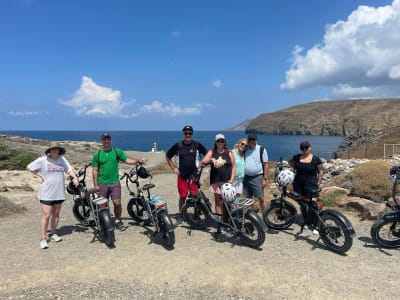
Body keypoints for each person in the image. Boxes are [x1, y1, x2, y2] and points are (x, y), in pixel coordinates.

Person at [27, 141, 79, 249]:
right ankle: (43, 238)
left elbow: (69, 169)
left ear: (59, 151)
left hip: (59, 192)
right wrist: (40, 176)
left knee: (56, 214)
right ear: (49, 151)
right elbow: (29, 167)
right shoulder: (43, 160)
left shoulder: (62, 159)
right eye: (53, 149)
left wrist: (74, 177)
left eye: (57, 149)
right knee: (46, 215)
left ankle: (53, 233)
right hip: (46, 193)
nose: (55, 151)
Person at [92, 132, 147, 231]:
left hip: (115, 183)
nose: (106, 141)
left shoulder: (117, 152)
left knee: (117, 203)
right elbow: (95, 170)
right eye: (104, 139)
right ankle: (105, 221)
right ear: (102, 141)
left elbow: (127, 160)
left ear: (110, 140)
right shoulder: (97, 155)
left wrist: (138, 160)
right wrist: (96, 185)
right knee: (103, 205)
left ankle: (117, 220)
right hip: (102, 183)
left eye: (108, 139)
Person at [165, 125, 207, 219]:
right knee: (183, 196)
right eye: (186, 133)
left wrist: (202, 164)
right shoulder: (178, 145)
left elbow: (207, 154)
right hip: (182, 175)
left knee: (194, 195)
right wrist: (173, 167)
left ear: (192, 133)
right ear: (183, 133)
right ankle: (182, 214)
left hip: (194, 175)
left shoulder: (197, 144)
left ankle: (196, 214)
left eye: (189, 133)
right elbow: (167, 155)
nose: (188, 135)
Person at [288, 140, 324, 234]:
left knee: (313, 204)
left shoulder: (315, 159)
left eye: (306, 147)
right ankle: (307, 220)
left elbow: (321, 171)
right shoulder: (297, 157)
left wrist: (318, 183)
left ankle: (316, 225)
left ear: (310, 148)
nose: (304, 149)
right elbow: (290, 162)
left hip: (311, 185)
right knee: (302, 203)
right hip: (299, 184)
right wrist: (294, 168)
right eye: (302, 148)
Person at [202, 134, 236, 217]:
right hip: (216, 181)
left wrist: (231, 179)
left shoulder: (229, 153)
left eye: (222, 141)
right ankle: (220, 221)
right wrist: (212, 159)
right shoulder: (212, 152)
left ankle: (229, 220)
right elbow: (203, 161)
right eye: (218, 141)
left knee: (229, 202)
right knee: (218, 202)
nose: (220, 142)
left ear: (224, 142)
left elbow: (234, 166)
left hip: (227, 182)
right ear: (215, 142)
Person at [243, 133, 269, 211]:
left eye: (253, 139)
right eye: (250, 139)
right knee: (248, 198)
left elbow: (266, 164)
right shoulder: (245, 149)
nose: (251, 141)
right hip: (246, 177)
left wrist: (265, 179)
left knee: (261, 198)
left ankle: (265, 215)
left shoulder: (261, 149)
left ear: (256, 140)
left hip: (257, 177)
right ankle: (251, 215)